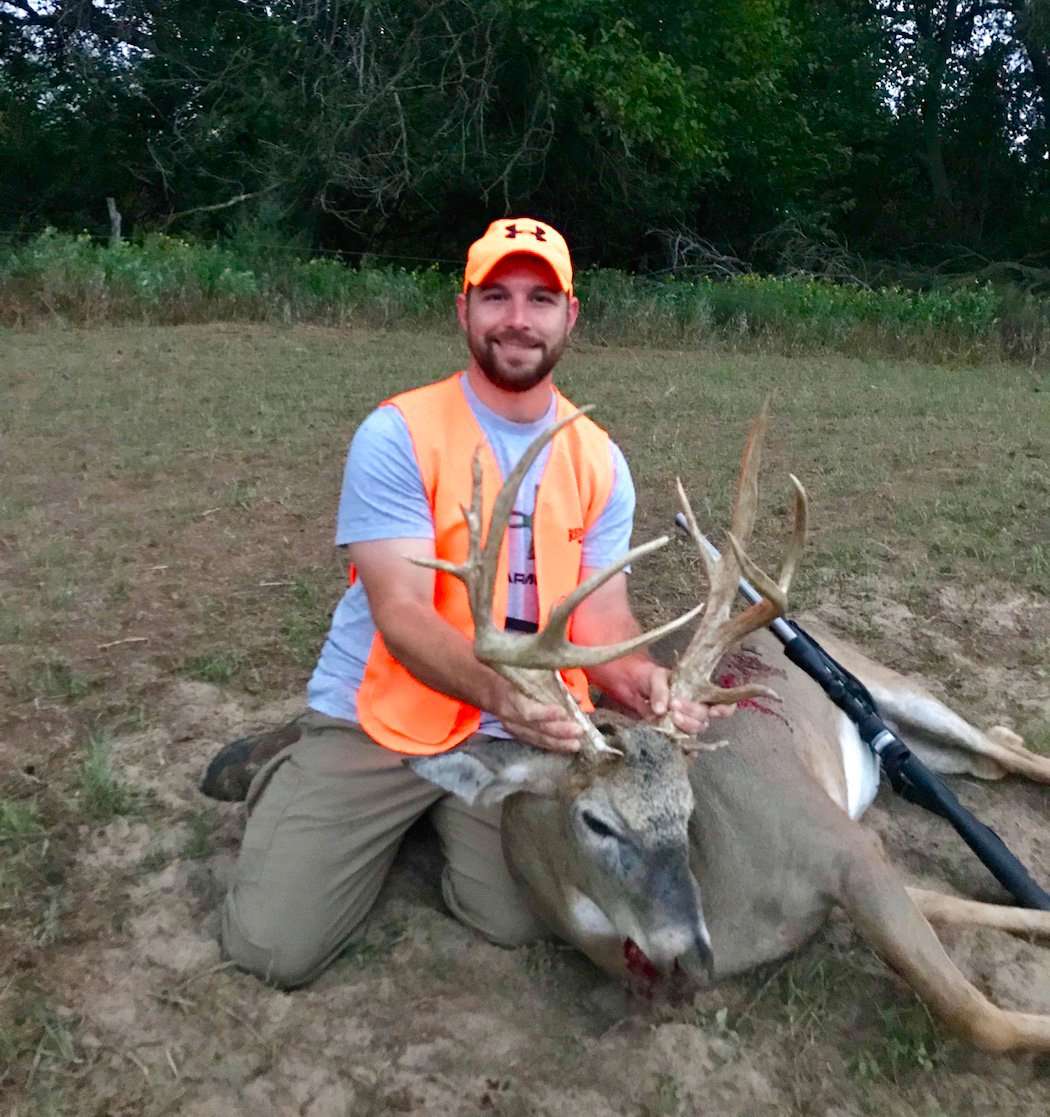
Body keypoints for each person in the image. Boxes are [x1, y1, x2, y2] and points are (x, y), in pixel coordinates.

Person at [207, 217, 733, 988]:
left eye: (539, 298)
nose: (518, 318)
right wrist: (500, 692)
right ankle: (288, 765)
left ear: (570, 316)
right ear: (464, 311)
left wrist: (641, 680)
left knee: (516, 921)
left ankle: (424, 824)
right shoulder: (399, 433)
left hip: (518, 734)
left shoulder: (599, 459)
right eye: (496, 296)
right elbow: (403, 613)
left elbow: (604, 618)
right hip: (382, 717)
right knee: (271, 949)